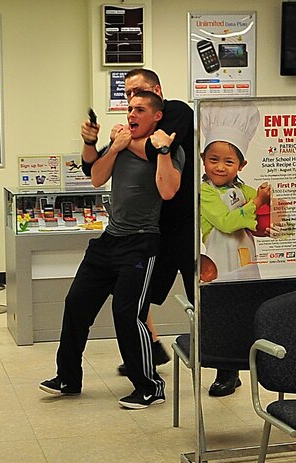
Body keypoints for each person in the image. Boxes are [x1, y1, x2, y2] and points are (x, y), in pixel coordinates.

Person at [81, 68, 242, 397]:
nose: (132, 101)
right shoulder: (130, 128)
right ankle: (150, 348)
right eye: (127, 96)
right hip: (152, 230)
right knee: (134, 295)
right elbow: (92, 168)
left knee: (204, 297)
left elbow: (159, 150)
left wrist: (127, 141)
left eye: (138, 93)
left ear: (156, 91)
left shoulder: (178, 111)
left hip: (188, 227)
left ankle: (228, 368)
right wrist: (103, 142)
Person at [42, 91, 183, 409]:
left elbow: (169, 189)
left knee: (127, 314)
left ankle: (149, 386)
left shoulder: (166, 147)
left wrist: (162, 151)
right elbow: (96, 176)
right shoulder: (120, 143)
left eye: (140, 109)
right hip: (109, 241)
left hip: (142, 242)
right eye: (130, 108)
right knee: (76, 303)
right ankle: (68, 378)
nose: (132, 114)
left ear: (156, 116)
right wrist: (105, 146)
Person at [200, 103, 271, 282]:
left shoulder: (244, 190)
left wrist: (268, 226)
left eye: (229, 162)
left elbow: (260, 218)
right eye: (213, 160)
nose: (220, 167)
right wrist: (257, 202)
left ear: (241, 165)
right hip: (219, 266)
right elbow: (226, 223)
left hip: (247, 264)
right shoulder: (205, 192)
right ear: (203, 159)